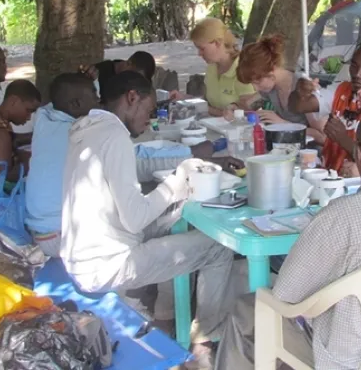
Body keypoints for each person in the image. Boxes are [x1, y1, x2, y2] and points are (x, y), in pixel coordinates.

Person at [214, 104, 361, 370]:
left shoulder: (345, 218)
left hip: (354, 360)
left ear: (360, 153)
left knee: (247, 310)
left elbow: (286, 295)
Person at [61, 71, 241, 367]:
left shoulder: (87, 127)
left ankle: (166, 318)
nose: (150, 118)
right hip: (105, 265)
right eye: (149, 109)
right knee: (218, 247)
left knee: (179, 214)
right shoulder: (115, 135)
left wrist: (187, 171)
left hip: (82, 254)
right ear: (132, 97)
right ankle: (206, 340)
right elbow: (135, 219)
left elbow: (139, 171)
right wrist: (178, 180)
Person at [288, 39, 361, 173]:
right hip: (328, 180)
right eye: (354, 65)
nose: (357, 74)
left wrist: (343, 139)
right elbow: (297, 106)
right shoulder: (342, 89)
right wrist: (299, 92)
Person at [25, 73, 99, 257]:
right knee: (145, 226)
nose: (99, 100)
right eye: (94, 95)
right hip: (62, 236)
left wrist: (88, 81)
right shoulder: (78, 134)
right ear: (75, 105)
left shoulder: (44, 118)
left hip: (39, 232)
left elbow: (60, 97)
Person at [236, 34, 325, 143]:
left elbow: (323, 137)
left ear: (271, 71)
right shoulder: (271, 88)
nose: (255, 88)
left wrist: (283, 124)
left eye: (257, 82)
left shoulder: (305, 89)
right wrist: (233, 108)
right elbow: (248, 105)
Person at [187, 18, 259, 116]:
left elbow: (247, 113)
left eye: (202, 49)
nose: (199, 54)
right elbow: (209, 100)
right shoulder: (212, 66)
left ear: (217, 43)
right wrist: (185, 99)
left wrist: (207, 109)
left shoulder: (242, 69)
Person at [0, 79, 41, 182]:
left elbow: (12, 142)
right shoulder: (2, 135)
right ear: (14, 101)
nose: (29, 117)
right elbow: (3, 179)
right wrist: (30, 163)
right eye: (28, 111)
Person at [80, 50, 156, 104]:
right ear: (128, 64)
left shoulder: (137, 80)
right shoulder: (99, 73)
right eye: (134, 75)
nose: (135, 80)